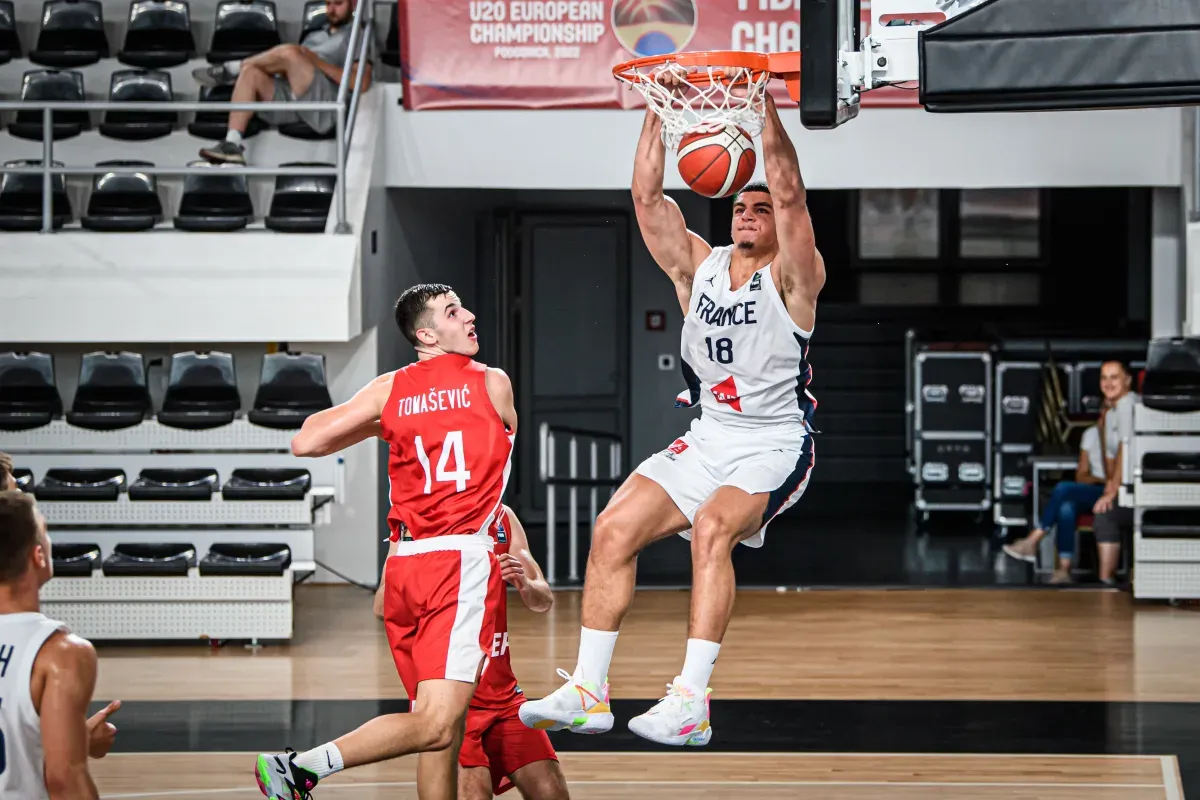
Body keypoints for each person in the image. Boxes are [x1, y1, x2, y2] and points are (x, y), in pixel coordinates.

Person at [519, 86, 823, 745]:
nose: (746, 213)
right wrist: (659, 107)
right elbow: (647, 201)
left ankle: (691, 702)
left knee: (714, 529)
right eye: (739, 206)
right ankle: (588, 692)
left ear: (779, 224)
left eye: (759, 208)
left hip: (773, 443)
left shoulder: (795, 279)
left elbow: (791, 188)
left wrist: (762, 110)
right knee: (612, 529)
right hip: (710, 433)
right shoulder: (699, 267)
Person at [255, 284, 517, 800]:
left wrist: (383, 427)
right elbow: (487, 432)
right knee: (439, 726)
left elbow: (305, 440)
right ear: (426, 334)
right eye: (452, 311)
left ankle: (302, 767)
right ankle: (302, 767)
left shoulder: (390, 389)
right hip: (457, 562)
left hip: (402, 568)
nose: (468, 316)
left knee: (435, 729)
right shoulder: (492, 381)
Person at [374, 506, 569, 800]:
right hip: (451, 699)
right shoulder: (415, 520)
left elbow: (543, 600)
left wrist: (525, 584)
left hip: (504, 696)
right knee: (474, 793)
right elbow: (381, 605)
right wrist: (442, 580)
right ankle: (312, 765)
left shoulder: (502, 517)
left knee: (551, 792)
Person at [0, 491, 122, 800]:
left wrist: (74, 736)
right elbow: (64, 781)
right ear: (38, 555)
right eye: (45, 530)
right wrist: (74, 744)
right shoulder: (60, 653)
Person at [1004, 360, 1136, 584]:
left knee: (1064, 489)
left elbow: (1127, 448)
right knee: (1066, 506)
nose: (1108, 383)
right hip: (1112, 487)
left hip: (1128, 489)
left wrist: (1111, 491)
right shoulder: (1113, 413)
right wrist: (1102, 431)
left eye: (1114, 377)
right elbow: (1110, 464)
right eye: (1104, 378)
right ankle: (1063, 569)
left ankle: (1034, 540)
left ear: (1128, 380)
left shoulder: (1128, 403)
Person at [195, 0, 373, 165]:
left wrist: (315, 61)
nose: (331, 9)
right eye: (328, 4)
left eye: (338, 3)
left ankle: (233, 68)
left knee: (291, 52)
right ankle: (232, 143)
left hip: (324, 104)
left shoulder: (358, 35)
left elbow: (362, 82)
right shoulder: (313, 36)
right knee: (251, 73)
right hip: (293, 96)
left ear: (354, 4)